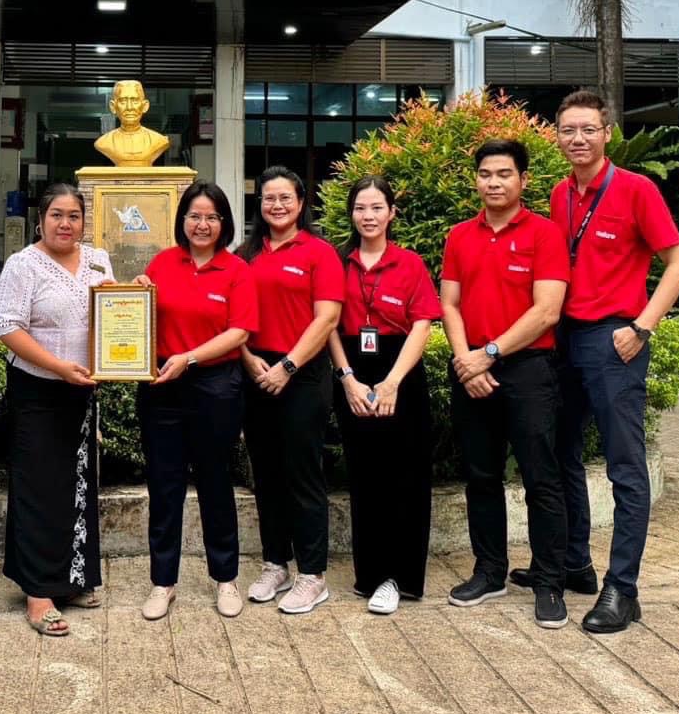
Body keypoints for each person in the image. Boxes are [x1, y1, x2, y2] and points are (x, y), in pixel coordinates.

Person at [514, 90, 679, 634]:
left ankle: (623, 589)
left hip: (614, 342)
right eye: (568, 130)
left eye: (588, 129)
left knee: (625, 469)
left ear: (606, 132)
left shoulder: (637, 190)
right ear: (557, 136)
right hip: (564, 338)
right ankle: (576, 565)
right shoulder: (560, 194)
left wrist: (641, 327)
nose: (578, 139)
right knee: (560, 452)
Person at [440, 139, 571, 631]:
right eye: (485, 174)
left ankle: (550, 581)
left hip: (528, 370)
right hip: (471, 370)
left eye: (504, 174)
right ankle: (489, 571)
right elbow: (448, 303)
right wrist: (465, 361)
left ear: (523, 180)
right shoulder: (459, 236)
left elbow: (547, 311)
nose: (493, 182)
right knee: (481, 477)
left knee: (541, 479)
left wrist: (488, 353)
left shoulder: (544, 234)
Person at [0, 184, 113, 637]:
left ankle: (74, 577)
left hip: (81, 390)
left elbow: (116, 313)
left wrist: (138, 293)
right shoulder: (23, 264)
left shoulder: (99, 260)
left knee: (79, 484)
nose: (66, 224)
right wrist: (59, 366)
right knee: (38, 487)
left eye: (74, 216)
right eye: (57, 215)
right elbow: (6, 327)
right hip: (37, 389)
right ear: (41, 219)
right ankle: (39, 591)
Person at [135, 181, 258, 620]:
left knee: (215, 482)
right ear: (182, 220)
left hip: (215, 385)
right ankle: (162, 583)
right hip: (162, 384)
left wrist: (189, 358)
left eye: (211, 217)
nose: (202, 224)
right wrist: (137, 294)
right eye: (194, 216)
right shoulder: (164, 263)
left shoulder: (236, 270)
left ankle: (225, 579)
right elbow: (140, 316)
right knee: (164, 487)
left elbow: (239, 331)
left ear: (223, 223)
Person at [325, 175, 442, 615]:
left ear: (391, 213)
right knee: (365, 477)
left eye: (377, 208)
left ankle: (399, 578)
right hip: (354, 373)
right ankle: (369, 574)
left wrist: (392, 382)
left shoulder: (410, 264)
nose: (368, 216)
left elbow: (422, 325)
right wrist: (347, 379)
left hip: (401, 374)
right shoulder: (340, 263)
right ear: (351, 214)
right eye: (360, 208)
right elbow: (330, 326)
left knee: (405, 479)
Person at [236, 167, 343, 614]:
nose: (276, 206)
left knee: (302, 474)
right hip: (256, 371)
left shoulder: (320, 252)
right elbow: (232, 317)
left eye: (285, 198)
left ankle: (312, 574)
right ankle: (275, 563)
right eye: (268, 199)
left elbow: (327, 319)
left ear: (301, 203)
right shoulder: (245, 255)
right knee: (267, 475)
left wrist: (288, 365)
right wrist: (249, 358)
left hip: (303, 376)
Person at [93, 79, 171, 167]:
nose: (129, 107)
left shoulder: (158, 140)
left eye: (135, 101)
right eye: (123, 101)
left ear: (145, 106)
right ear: (113, 107)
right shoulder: (104, 142)